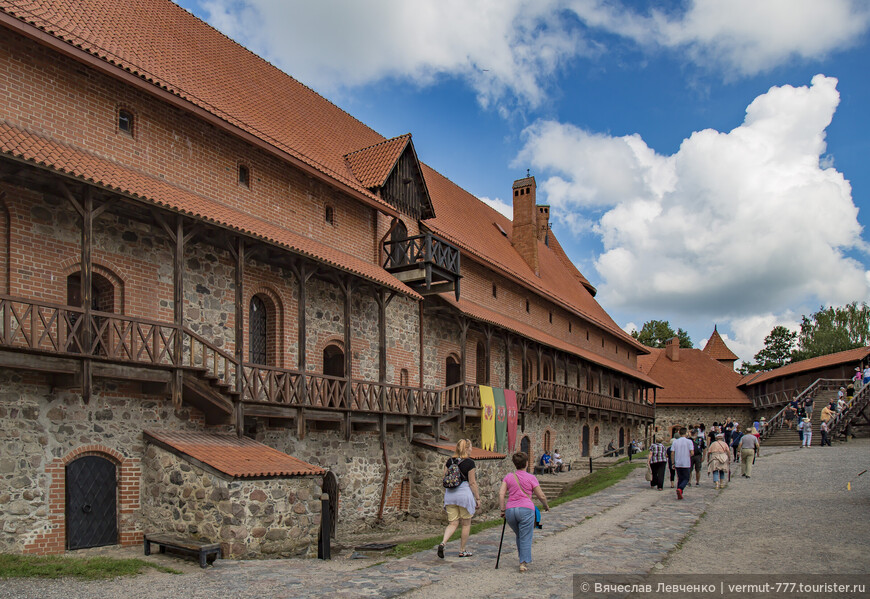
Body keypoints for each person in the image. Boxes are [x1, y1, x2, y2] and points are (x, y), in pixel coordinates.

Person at [499, 451, 550, 572]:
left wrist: (502, 509)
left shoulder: (508, 477)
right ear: (526, 463)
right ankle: (523, 562)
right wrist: (546, 505)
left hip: (511, 510)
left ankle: (521, 557)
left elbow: (501, 494)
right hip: (526, 509)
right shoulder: (531, 477)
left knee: (520, 535)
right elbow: (541, 496)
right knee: (525, 536)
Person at [437, 438, 480, 559]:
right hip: (464, 496)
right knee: (466, 524)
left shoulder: (449, 461)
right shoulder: (470, 463)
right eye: (470, 447)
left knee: (453, 523)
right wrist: (477, 498)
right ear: (466, 448)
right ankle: (462, 550)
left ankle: (443, 543)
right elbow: (472, 483)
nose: (471, 449)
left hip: (450, 496)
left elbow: (445, 477)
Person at [671, 427, 694, 500]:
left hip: (678, 462)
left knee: (680, 478)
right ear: (686, 433)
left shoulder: (675, 442)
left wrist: (672, 462)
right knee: (686, 478)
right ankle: (680, 489)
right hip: (686, 462)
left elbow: (672, 453)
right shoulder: (689, 442)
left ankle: (679, 492)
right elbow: (692, 452)